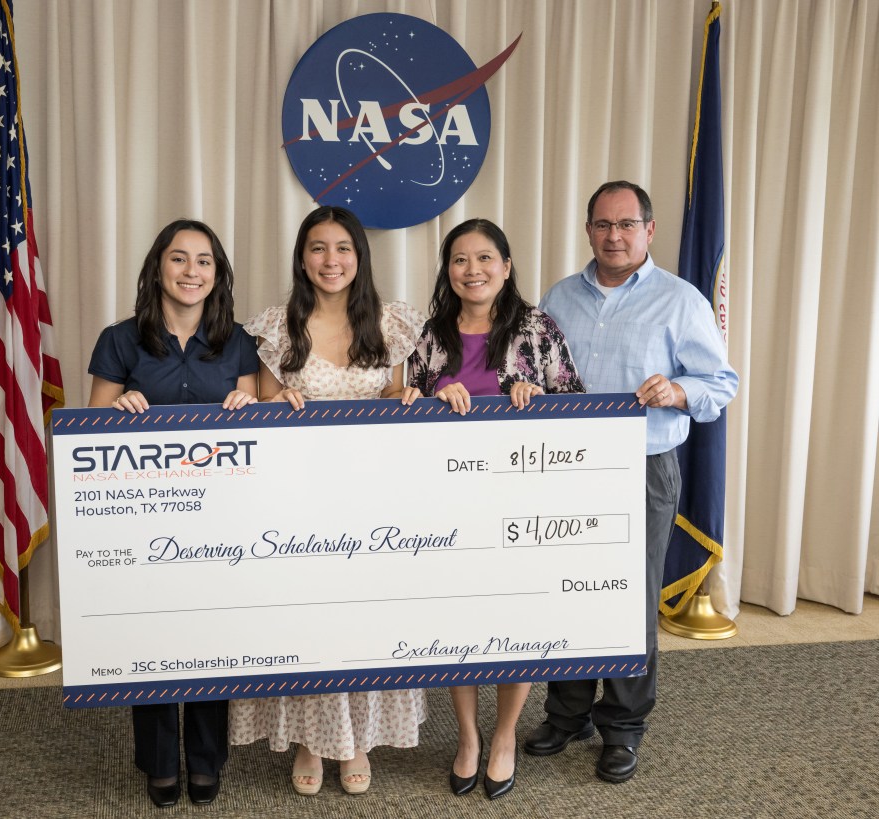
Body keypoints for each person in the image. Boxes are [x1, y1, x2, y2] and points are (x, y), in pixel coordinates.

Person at [528, 180, 739, 783]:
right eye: (602, 224)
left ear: (648, 230)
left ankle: (622, 725)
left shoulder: (682, 300)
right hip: (564, 466)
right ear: (588, 229)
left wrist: (677, 390)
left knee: (629, 596)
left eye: (626, 225)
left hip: (642, 467)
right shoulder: (559, 297)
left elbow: (720, 383)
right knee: (567, 588)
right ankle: (568, 712)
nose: (614, 236)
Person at [228, 205, 426, 796]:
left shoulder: (392, 324)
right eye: (318, 248)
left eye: (343, 248)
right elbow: (258, 412)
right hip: (296, 506)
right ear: (302, 256)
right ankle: (314, 739)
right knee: (306, 621)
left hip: (374, 503)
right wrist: (267, 403)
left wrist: (408, 396)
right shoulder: (272, 328)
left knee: (365, 618)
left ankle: (358, 737)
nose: (331, 260)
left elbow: (398, 397)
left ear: (360, 256)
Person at [406, 218, 584, 800]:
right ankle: (467, 737)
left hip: (522, 506)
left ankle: (504, 736)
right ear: (447, 271)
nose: (473, 270)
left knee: (515, 623)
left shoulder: (538, 329)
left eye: (485, 258)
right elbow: (401, 413)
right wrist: (431, 398)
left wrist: (539, 401)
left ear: (506, 267)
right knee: (458, 624)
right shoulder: (431, 335)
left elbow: (578, 411)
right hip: (448, 505)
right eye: (460, 260)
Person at [87, 219, 258, 807]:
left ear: (218, 273)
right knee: (152, 633)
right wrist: (118, 411)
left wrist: (248, 404)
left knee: (211, 633)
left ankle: (206, 758)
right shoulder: (118, 339)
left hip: (220, 520)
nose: (192, 272)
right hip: (144, 520)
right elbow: (88, 442)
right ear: (158, 267)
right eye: (179, 259)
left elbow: (257, 438)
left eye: (204, 261)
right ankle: (159, 759)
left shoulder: (237, 341)